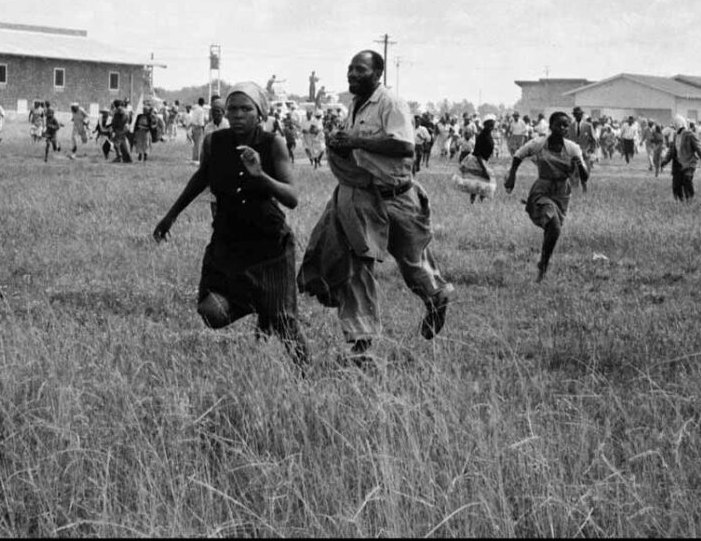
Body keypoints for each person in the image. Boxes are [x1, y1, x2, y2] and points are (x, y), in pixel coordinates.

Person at [297, 49, 452, 365]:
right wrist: (342, 142)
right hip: (361, 197)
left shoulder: (391, 104)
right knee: (353, 264)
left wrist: (356, 141)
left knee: (413, 263)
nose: (352, 74)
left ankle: (435, 299)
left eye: (360, 70)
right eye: (350, 69)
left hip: (398, 197)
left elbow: (405, 147)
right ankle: (360, 345)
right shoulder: (355, 104)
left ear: (378, 74)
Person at [153, 81, 308, 372]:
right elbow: (201, 178)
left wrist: (261, 176)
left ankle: (305, 375)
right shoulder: (215, 142)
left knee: (284, 321)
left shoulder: (272, 143)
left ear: (259, 113)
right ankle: (259, 304)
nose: (237, 115)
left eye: (246, 109)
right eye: (232, 109)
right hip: (227, 239)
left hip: (268, 244)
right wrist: (171, 215)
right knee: (212, 312)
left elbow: (292, 198)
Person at [504, 111, 589, 283]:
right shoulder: (539, 143)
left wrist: (580, 165)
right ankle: (543, 266)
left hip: (562, 194)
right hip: (542, 189)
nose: (563, 128)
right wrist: (512, 176)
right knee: (555, 226)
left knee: (553, 230)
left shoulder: (572, 148)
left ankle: (543, 262)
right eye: (559, 124)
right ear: (551, 126)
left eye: (566, 125)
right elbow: (518, 155)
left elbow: (585, 177)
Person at [661, 115, 701, 201]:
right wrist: (665, 161)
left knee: (687, 179)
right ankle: (680, 201)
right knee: (676, 184)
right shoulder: (675, 135)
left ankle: (690, 199)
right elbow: (671, 150)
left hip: (689, 163)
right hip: (678, 163)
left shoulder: (689, 135)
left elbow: (699, 150)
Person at [453, 113, 497, 202]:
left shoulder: (488, 134)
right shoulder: (482, 136)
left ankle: (480, 200)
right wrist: (484, 168)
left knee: (480, 182)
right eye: (490, 124)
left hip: (483, 160)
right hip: (477, 161)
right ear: (486, 125)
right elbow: (479, 153)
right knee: (478, 181)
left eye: (492, 124)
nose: (492, 126)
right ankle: (474, 201)